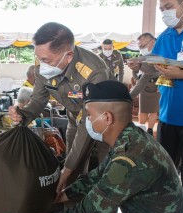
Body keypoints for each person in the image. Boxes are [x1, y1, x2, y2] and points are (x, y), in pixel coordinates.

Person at [5, 80, 183, 213]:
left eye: (89, 115)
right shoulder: (131, 139)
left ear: (107, 118)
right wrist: (57, 197)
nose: (88, 121)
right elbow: (95, 178)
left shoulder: (130, 158)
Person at [8, 22, 112, 192]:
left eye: (46, 60)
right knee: (73, 176)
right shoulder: (43, 65)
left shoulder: (94, 71)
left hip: (106, 124)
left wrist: (68, 167)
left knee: (106, 175)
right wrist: (23, 114)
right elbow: (38, 100)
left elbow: (89, 121)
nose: (41, 65)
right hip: (74, 119)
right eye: (39, 58)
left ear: (69, 56)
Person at [150, 0, 183, 199]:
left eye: (169, 6)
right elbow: (156, 63)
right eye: (162, 9)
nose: (165, 12)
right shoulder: (164, 37)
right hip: (167, 115)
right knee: (165, 171)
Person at [128, 33, 160, 136]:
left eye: (142, 46)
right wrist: (135, 69)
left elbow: (166, 71)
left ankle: (150, 130)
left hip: (157, 85)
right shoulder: (141, 56)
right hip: (144, 86)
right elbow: (136, 73)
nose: (141, 49)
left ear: (152, 42)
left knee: (154, 110)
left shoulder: (162, 53)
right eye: (139, 46)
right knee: (143, 110)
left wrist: (153, 75)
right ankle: (141, 130)